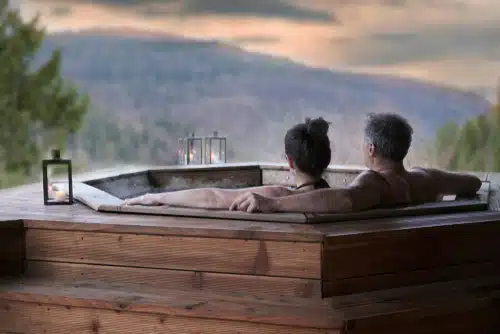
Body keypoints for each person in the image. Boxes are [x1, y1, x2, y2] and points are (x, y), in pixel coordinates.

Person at [229, 112, 482, 213]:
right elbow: (474, 183)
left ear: (371, 148)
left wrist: (275, 204)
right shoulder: (427, 178)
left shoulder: (374, 183)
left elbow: (344, 199)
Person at [123, 117, 333, 209]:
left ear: (290, 161)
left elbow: (212, 198)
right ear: (327, 158)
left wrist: (156, 197)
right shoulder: (346, 198)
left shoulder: (277, 197)